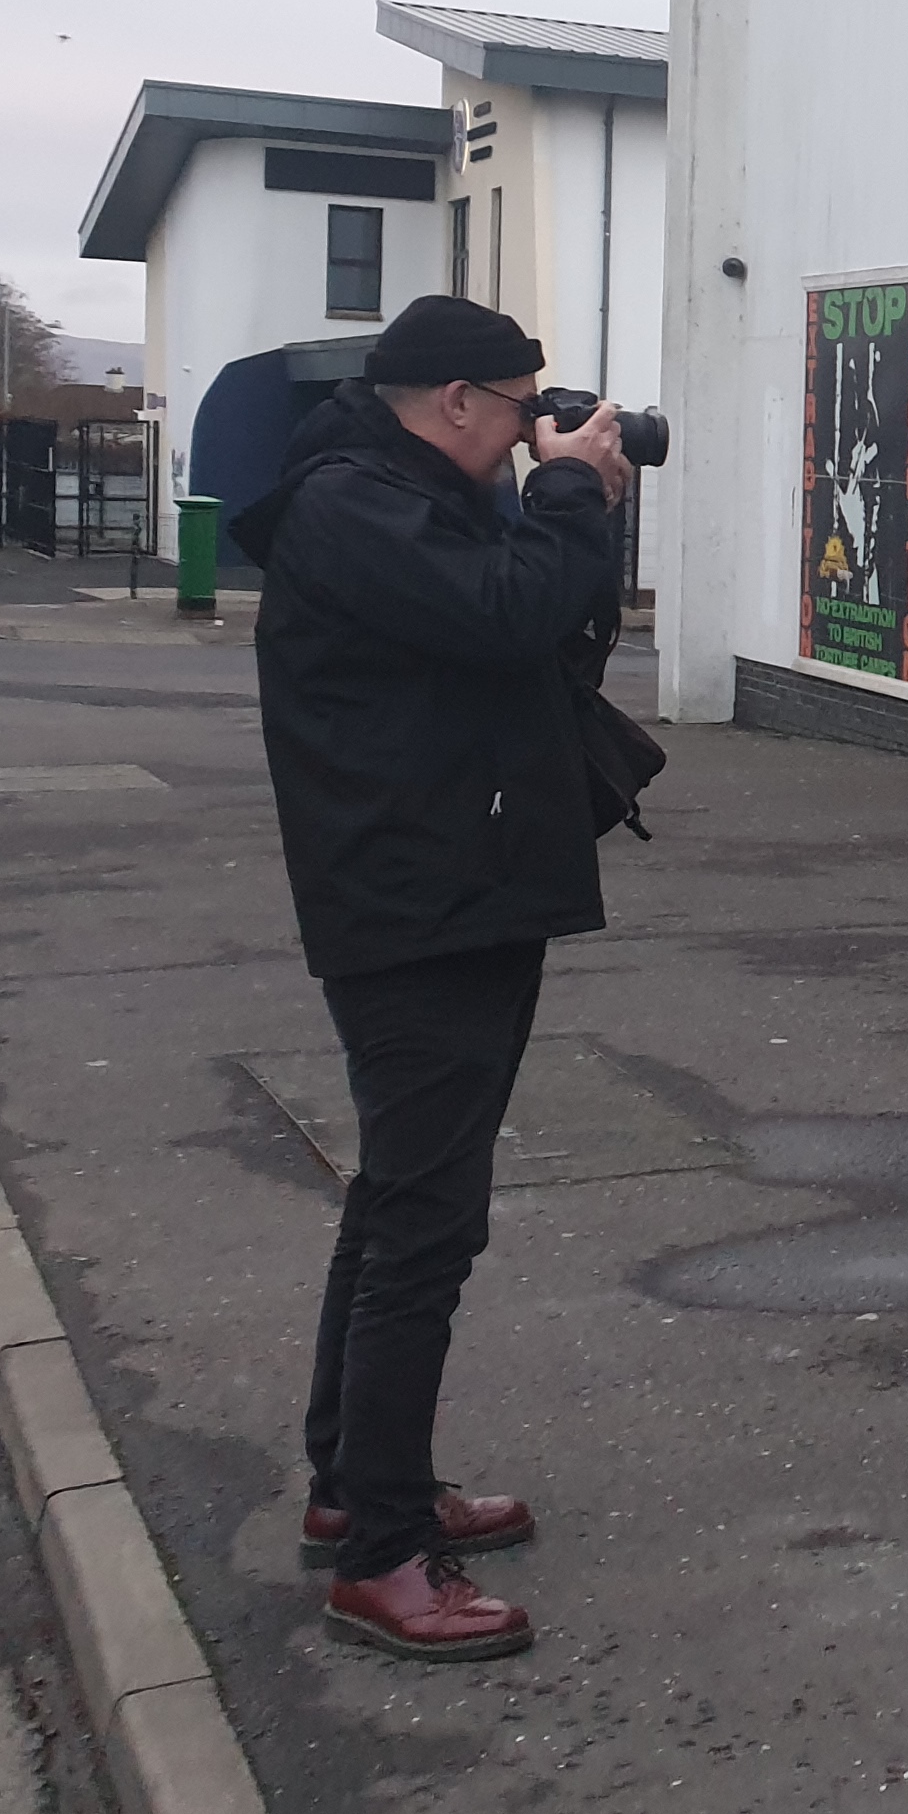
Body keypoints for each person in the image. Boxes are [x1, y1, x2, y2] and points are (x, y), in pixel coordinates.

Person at [231, 296, 638, 1662]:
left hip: (448, 888)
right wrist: (570, 497)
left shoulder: (399, 496)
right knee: (424, 1228)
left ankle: (359, 1491)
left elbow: (536, 633)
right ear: (456, 400)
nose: (534, 433)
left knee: (397, 1204)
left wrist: (571, 507)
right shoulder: (357, 507)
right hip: (421, 907)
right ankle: (387, 1561)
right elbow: (511, 612)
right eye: (523, 410)